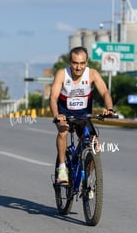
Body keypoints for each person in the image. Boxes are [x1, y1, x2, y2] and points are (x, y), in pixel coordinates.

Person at [49, 47, 115, 184]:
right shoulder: (62, 74)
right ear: (69, 62)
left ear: (87, 62)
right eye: (75, 63)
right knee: (63, 132)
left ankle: (86, 180)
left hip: (84, 116)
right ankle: (62, 168)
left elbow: (105, 92)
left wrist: (109, 109)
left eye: (82, 63)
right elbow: (53, 98)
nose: (78, 67)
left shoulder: (92, 74)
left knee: (95, 147)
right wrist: (57, 115)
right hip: (64, 115)